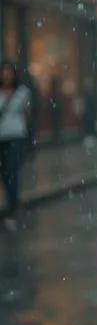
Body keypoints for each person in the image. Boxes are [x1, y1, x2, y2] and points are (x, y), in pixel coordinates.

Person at [0, 61, 31, 232]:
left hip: (16, 136)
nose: (6, 76)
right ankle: (12, 202)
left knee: (12, 170)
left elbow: (27, 115)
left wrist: (28, 139)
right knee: (5, 172)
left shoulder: (22, 93)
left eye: (9, 72)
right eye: (3, 72)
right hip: (1, 137)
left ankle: (12, 207)